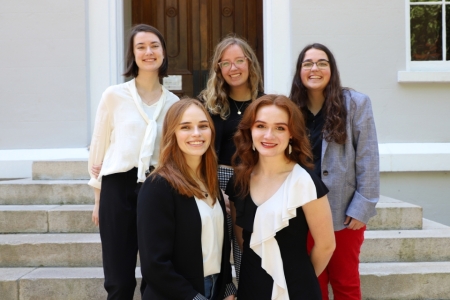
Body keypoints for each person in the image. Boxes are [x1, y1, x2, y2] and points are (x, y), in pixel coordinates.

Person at [88, 24, 179, 299]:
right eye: (141, 47)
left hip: (157, 187)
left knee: (155, 272)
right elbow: (99, 146)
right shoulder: (114, 95)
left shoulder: (174, 103)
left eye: (154, 46)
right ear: (132, 54)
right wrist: (98, 199)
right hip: (117, 186)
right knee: (118, 276)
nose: (148, 52)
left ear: (163, 53)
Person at [289, 43, 380, 300]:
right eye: (307, 63)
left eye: (321, 63)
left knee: (345, 283)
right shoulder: (290, 108)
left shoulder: (356, 104)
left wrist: (363, 206)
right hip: (301, 212)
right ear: (299, 71)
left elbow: (368, 157)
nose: (314, 68)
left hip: (344, 212)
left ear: (332, 69)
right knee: (311, 282)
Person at [226, 95, 335, 299]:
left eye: (280, 128)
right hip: (251, 286)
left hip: (297, 288)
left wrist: (298, 280)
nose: (269, 135)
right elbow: (243, 240)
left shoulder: (305, 182)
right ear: (250, 130)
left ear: (292, 134)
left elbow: (326, 245)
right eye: (261, 126)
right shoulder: (238, 182)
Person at [137, 99, 236, 300]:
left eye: (203, 126)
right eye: (186, 127)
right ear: (172, 133)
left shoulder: (210, 182)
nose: (196, 134)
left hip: (215, 289)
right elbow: (154, 265)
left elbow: (217, 244)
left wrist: (227, 287)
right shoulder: (158, 186)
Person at [198, 35, 264, 282]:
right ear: (219, 69)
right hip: (214, 178)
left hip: (253, 179)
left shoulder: (264, 103)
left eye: (239, 60)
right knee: (213, 250)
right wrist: (213, 187)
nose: (233, 68)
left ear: (250, 63)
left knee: (246, 250)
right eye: (226, 63)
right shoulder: (208, 104)